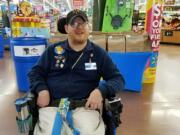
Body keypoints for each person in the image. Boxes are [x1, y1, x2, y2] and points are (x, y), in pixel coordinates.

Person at [28, 9, 125, 135]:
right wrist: (41, 89)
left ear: (88, 26)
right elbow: (35, 73)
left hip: (85, 108)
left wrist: (101, 90)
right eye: (74, 24)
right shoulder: (53, 51)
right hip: (53, 106)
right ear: (67, 28)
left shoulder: (98, 54)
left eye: (83, 23)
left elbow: (118, 79)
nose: (80, 27)